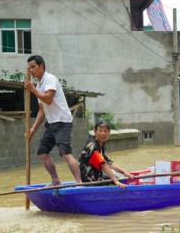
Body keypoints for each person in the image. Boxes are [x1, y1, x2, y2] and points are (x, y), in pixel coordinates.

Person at [24, 55, 81, 185]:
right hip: (51, 123)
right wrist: (32, 129)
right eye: (29, 68)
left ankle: (79, 182)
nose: (31, 71)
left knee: (65, 153)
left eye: (33, 67)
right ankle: (56, 180)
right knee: (42, 152)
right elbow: (42, 110)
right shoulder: (39, 85)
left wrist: (32, 89)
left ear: (41, 66)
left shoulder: (50, 79)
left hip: (62, 122)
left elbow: (48, 99)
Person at [79, 120, 134, 188]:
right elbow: (103, 165)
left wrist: (125, 172)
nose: (103, 133)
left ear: (109, 133)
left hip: (97, 175)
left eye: (105, 131)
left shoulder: (101, 145)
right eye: (100, 131)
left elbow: (109, 163)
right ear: (95, 132)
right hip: (89, 179)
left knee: (119, 178)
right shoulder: (92, 146)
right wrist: (115, 181)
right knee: (115, 182)